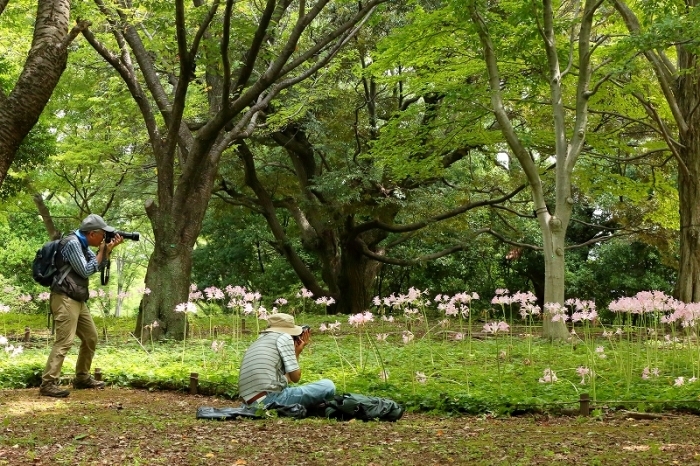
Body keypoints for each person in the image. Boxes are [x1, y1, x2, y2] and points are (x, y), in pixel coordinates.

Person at [39, 214, 124, 397]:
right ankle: (48, 383)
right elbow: (86, 270)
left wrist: (106, 251)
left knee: (91, 337)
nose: (104, 238)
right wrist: (102, 251)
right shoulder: (72, 243)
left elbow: (96, 266)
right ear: (92, 233)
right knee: (64, 341)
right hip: (64, 298)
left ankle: (82, 378)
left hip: (77, 298)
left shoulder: (83, 244)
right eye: (103, 234)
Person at [238, 313, 335, 410]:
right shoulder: (285, 337)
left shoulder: (260, 339)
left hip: (249, 404)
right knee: (328, 386)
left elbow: (288, 379)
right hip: (269, 401)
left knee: (290, 390)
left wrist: (295, 352)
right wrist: (297, 352)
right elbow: (295, 378)